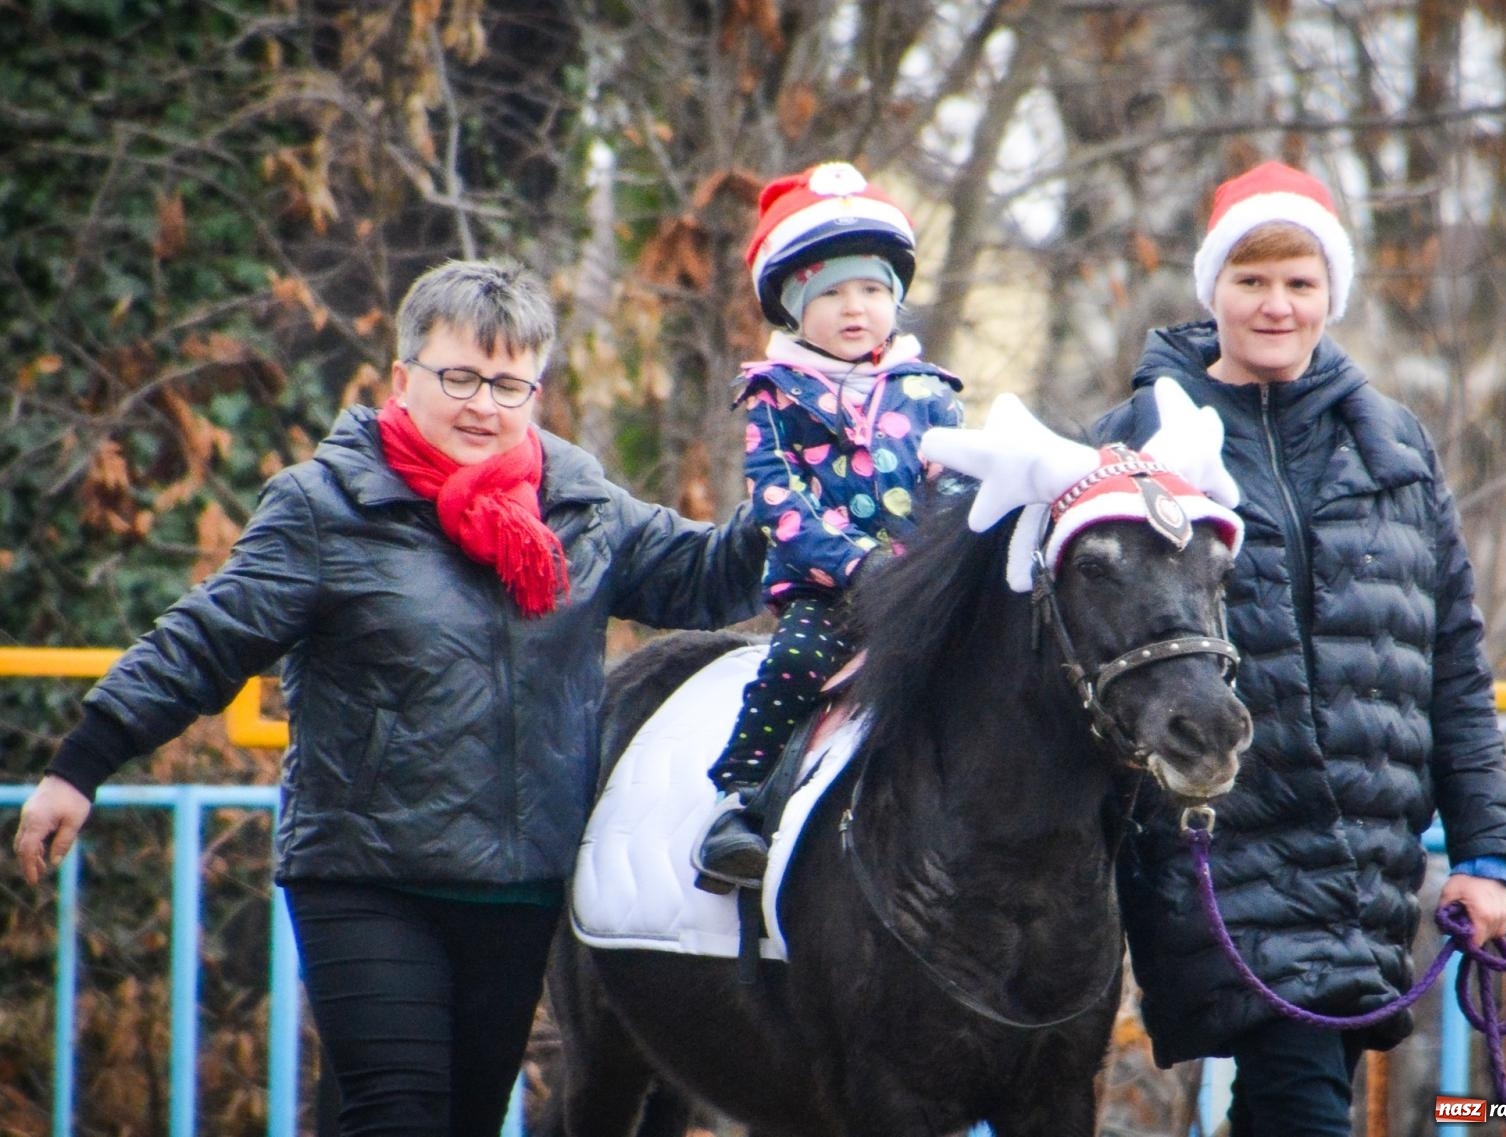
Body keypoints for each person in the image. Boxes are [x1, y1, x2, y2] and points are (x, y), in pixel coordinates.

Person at [11, 258, 765, 1137]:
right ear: (403, 378)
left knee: (458, 1119)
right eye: (461, 376)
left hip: (518, 882)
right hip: (367, 870)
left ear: (538, 392)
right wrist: (82, 763)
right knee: (398, 1112)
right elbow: (206, 639)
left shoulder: (581, 508)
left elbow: (710, 579)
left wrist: (798, 496)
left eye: (510, 383)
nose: (484, 404)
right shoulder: (327, 506)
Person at [1094, 160, 1506, 1137]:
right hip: (1216, 850)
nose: (1276, 305)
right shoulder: (1138, 444)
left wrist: (1486, 852)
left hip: (1363, 866)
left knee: (1291, 1102)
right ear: (1214, 291)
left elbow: (1450, 661)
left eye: (1299, 282)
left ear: (1331, 292)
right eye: (1251, 281)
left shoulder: (1394, 449)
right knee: (1300, 1101)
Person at [692, 161, 964, 892]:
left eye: (873, 290)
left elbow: (956, 487)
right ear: (793, 305)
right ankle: (738, 805)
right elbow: (779, 500)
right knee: (793, 664)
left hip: (922, 586)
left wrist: (933, 567)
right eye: (833, 292)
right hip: (830, 588)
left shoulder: (930, 391)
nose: (856, 307)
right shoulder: (775, 396)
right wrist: (852, 566)